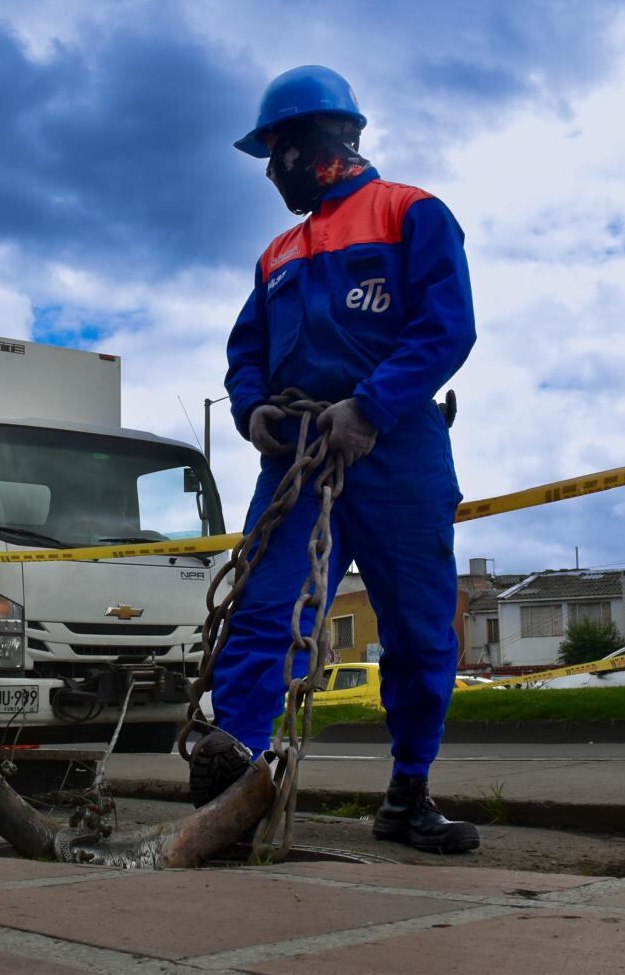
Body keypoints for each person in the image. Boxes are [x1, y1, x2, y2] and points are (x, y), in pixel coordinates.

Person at [190, 65, 479, 854]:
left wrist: (372, 405)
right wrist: (252, 412)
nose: (273, 170)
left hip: (399, 449)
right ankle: (237, 776)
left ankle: (409, 792)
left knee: (420, 632)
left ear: (322, 140)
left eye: (277, 150)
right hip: (296, 456)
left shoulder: (412, 213)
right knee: (264, 611)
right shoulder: (278, 254)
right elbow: (245, 350)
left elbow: (446, 329)